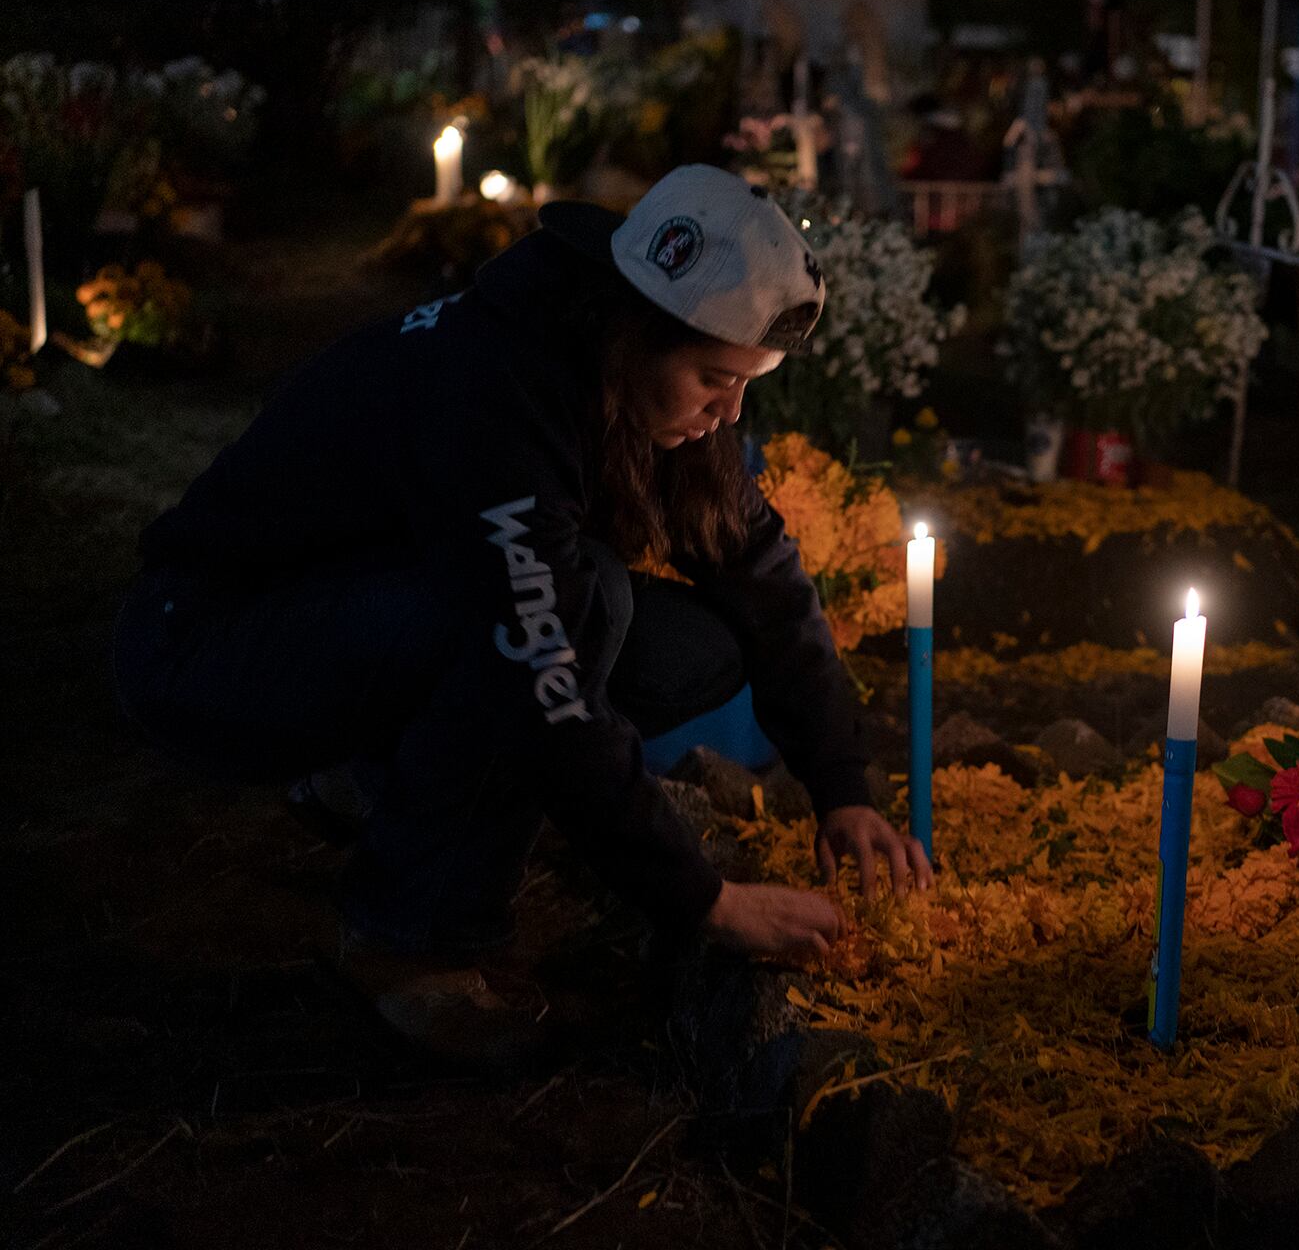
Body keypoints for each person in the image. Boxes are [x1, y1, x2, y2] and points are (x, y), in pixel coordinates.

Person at [112, 165, 932, 1066]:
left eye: (748, 385)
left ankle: (386, 781)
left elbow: (764, 575)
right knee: (581, 612)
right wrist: (709, 901)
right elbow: (542, 674)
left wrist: (840, 785)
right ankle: (406, 943)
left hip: (362, 611)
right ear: (637, 327)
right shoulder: (494, 388)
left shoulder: (633, 380)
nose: (728, 410)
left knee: (692, 645)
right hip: (208, 642)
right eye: (712, 378)